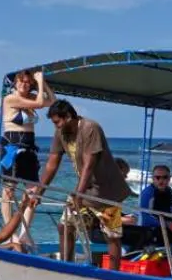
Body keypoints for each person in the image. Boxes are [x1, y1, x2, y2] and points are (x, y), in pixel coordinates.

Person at [33, 99, 131, 265]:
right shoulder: (60, 133)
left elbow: (89, 165)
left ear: (69, 116)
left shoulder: (90, 128)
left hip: (107, 191)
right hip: (86, 188)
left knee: (111, 235)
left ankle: (114, 275)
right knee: (65, 226)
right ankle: (66, 267)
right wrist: (39, 193)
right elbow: (51, 164)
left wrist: (78, 193)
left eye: (57, 122)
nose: (56, 126)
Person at [0, 68, 52, 246]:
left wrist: (43, 83)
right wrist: (39, 84)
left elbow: (52, 102)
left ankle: (24, 232)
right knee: (9, 189)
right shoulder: (11, 98)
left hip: (29, 148)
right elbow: (39, 104)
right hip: (12, 147)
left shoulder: (31, 98)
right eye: (22, 81)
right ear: (15, 82)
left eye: (29, 82)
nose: (25, 84)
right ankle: (9, 230)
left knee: (33, 191)